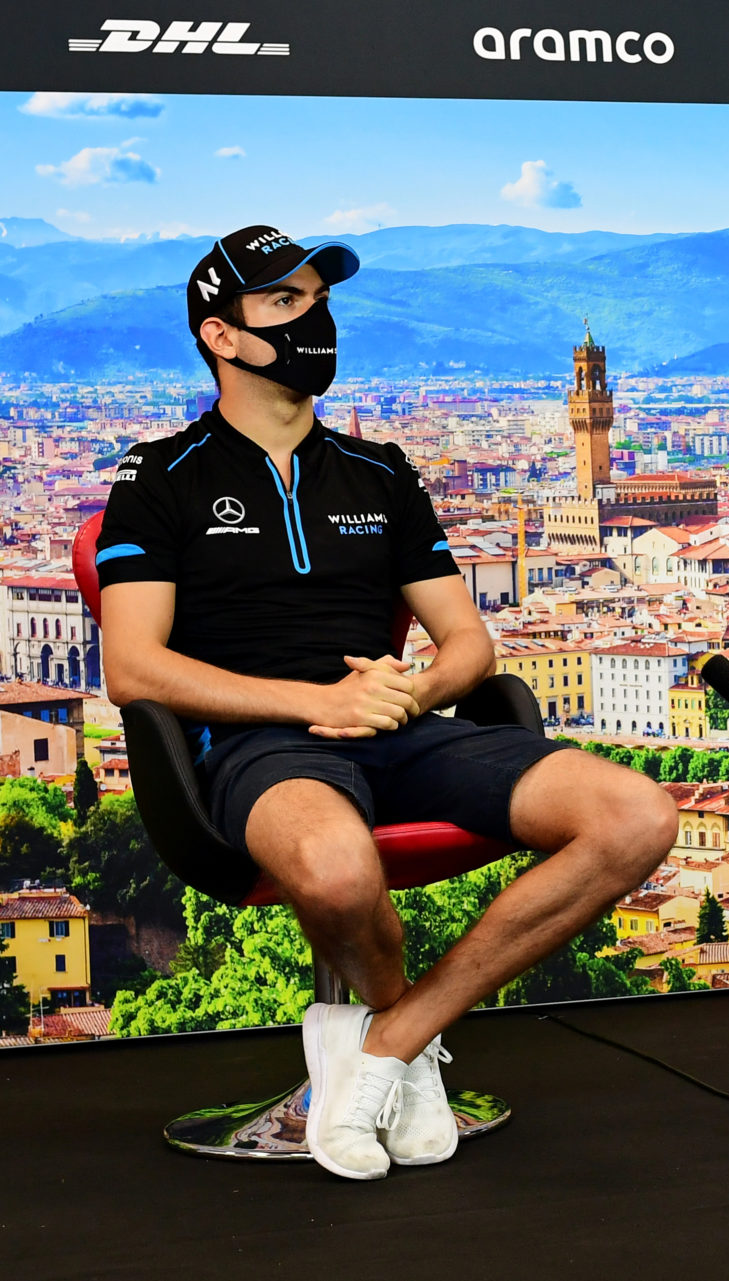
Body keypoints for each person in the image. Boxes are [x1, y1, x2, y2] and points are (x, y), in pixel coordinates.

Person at [96, 226, 678, 1178]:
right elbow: (133, 667)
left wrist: (408, 694)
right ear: (221, 335)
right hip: (256, 746)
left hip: (398, 726)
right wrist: (319, 701)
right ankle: (403, 1059)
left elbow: (468, 644)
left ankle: (384, 1048)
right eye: (285, 302)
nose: (315, 319)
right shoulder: (157, 477)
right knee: (335, 873)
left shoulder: (383, 473)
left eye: (320, 300)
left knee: (638, 815)